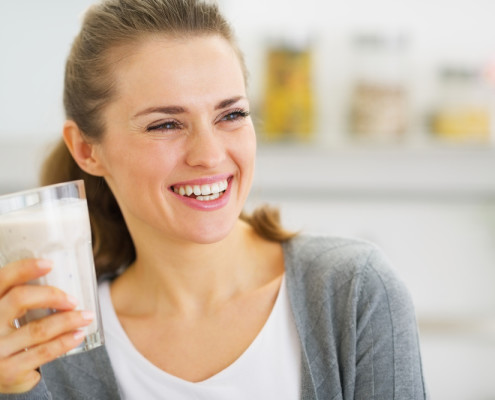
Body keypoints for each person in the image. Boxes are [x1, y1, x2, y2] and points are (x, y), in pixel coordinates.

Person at [0, 0, 428, 398]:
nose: (209, 155)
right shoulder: (50, 343)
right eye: (165, 124)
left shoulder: (353, 292)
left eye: (232, 115)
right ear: (87, 150)